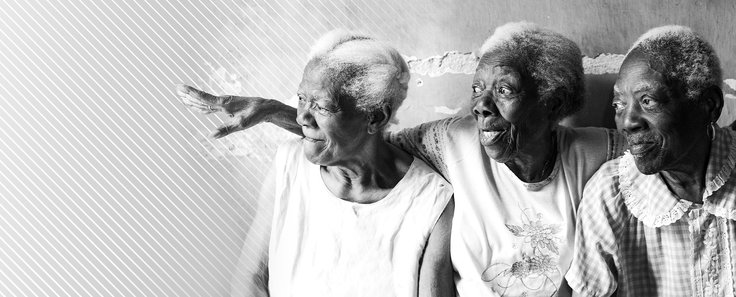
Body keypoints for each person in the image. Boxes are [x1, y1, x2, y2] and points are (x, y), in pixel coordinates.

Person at [178, 22, 623, 296]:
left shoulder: (596, 154)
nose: (481, 106)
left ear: (552, 101)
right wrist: (276, 112)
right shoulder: (454, 141)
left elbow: (663, 149)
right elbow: (363, 141)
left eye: (503, 91)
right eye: (475, 89)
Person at [224, 30, 455, 297]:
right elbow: (251, 278)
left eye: (322, 107)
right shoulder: (290, 165)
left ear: (375, 117)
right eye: (301, 99)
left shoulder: (430, 201)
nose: (302, 118)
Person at [567, 26, 735, 296]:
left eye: (648, 101)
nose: (628, 122)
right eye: (619, 105)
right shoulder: (610, 195)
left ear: (709, 105)